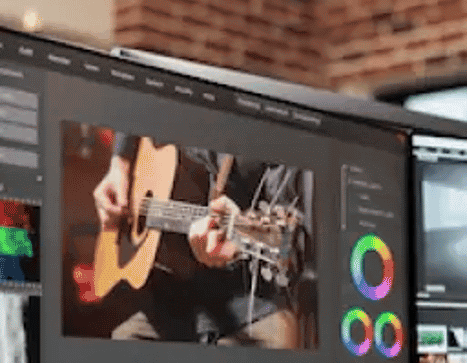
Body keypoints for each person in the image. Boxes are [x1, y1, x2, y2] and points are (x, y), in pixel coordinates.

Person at [91, 133, 314, 348]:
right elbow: (135, 103)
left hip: (247, 305)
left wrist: (238, 238)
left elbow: (292, 237)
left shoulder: (275, 133)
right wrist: (120, 161)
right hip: (162, 301)